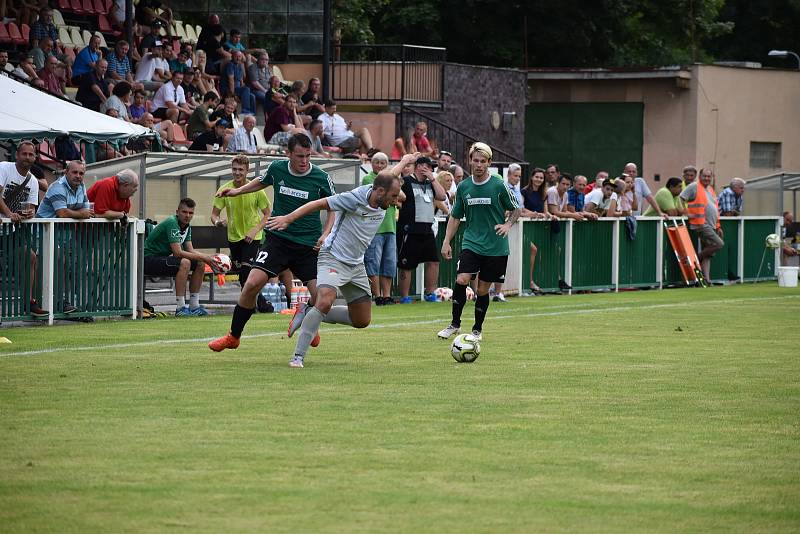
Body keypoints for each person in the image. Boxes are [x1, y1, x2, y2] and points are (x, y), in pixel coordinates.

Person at [208, 133, 336, 353]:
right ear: (288, 154)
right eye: (299, 156)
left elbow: (334, 206)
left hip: (307, 246)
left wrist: (325, 234)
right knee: (251, 284)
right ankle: (233, 336)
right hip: (278, 241)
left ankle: (306, 315)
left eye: (307, 156)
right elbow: (260, 181)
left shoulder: (321, 177)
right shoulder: (277, 169)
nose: (304, 161)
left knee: (322, 298)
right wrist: (237, 191)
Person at [265, 171, 402, 368]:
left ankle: (307, 310)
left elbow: (390, 177)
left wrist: (406, 160)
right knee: (325, 300)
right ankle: (298, 356)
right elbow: (319, 204)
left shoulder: (381, 194)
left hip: (356, 264)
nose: (397, 201)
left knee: (362, 320)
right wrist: (289, 218)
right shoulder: (353, 199)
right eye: (394, 196)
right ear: (380, 191)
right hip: (333, 258)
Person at [437, 142, 520, 341]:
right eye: (476, 161)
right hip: (471, 243)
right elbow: (455, 217)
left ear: (489, 163)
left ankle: (477, 330)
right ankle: (454, 324)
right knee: (462, 279)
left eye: (483, 161)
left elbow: (516, 209)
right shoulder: (464, 186)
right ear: (470, 161)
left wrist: (508, 225)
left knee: (482, 290)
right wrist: (446, 241)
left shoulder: (499, 185)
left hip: (496, 247)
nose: (479, 165)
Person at [211, 155, 271, 311]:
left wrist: (255, 229)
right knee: (243, 276)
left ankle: (247, 307)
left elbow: (267, 214)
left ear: (247, 170)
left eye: (240, 170)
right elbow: (214, 214)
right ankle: (261, 304)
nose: (237, 173)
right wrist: (218, 222)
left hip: (253, 237)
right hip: (234, 238)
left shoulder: (256, 189)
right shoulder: (225, 189)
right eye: (234, 169)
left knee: (246, 272)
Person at [144, 198, 221, 316]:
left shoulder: (187, 226)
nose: (187, 215)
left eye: (191, 213)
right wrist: (206, 258)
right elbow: (178, 253)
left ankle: (194, 306)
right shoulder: (172, 222)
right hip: (147, 260)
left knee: (200, 263)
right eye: (184, 212)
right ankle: (180, 308)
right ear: (177, 212)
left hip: (161, 259)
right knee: (185, 262)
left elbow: (190, 250)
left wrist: (210, 257)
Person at [37, 160, 93, 314]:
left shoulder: (81, 187)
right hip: (42, 233)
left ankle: (68, 301)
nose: (78, 176)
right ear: (66, 172)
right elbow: (62, 213)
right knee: (60, 261)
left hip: (64, 236)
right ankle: (58, 302)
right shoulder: (57, 187)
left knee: (80, 259)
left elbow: (87, 210)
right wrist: (80, 214)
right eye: (74, 172)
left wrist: (82, 213)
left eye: (81, 173)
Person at [0, 141, 46, 316]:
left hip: (11, 231)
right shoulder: (4, 168)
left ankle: (29, 303)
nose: (27, 157)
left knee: (31, 256)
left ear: (35, 157)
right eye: (24, 154)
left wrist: (27, 214)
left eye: (31, 154)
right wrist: (9, 213)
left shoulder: (33, 180)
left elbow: (32, 208)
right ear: (17, 155)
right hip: (5, 222)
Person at [396, 154, 447, 303]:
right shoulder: (406, 181)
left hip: (427, 229)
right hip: (409, 229)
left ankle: (430, 293)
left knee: (433, 261)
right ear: (420, 166)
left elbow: (442, 196)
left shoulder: (431, 183)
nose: (431, 170)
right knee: (406, 265)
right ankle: (405, 296)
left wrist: (432, 179)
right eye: (429, 167)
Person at [362, 152, 406, 305]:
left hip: (390, 227)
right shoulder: (369, 178)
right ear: (371, 164)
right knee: (373, 261)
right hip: (375, 228)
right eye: (377, 162)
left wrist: (394, 199)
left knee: (389, 263)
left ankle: (386, 295)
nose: (380, 165)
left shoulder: (390, 180)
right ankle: (377, 295)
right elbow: (396, 196)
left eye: (383, 163)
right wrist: (395, 200)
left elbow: (403, 196)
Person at [680, 167, 723, 281]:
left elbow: (715, 208)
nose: (707, 178)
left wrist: (718, 226)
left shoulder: (710, 189)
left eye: (709, 176)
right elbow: (681, 198)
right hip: (700, 224)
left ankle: (706, 280)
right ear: (699, 176)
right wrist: (686, 213)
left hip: (711, 224)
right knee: (719, 244)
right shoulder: (694, 186)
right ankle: (695, 259)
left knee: (708, 254)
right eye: (704, 176)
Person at [520, 167, 551, 293]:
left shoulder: (544, 193)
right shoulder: (524, 191)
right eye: (537, 177)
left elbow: (546, 211)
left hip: (539, 229)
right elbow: (521, 209)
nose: (539, 179)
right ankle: (529, 282)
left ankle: (531, 282)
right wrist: (535, 214)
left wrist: (549, 215)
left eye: (541, 177)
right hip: (525, 227)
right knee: (532, 250)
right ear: (532, 177)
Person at [221, 50, 256, 116]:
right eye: (236, 56)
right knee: (246, 89)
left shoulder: (239, 65)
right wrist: (233, 94)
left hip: (238, 88)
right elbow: (231, 81)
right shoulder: (230, 65)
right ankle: (245, 111)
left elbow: (241, 80)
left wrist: (242, 86)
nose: (238, 58)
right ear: (232, 57)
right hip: (228, 89)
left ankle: (252, 115)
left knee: (252, 96)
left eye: (239, 56)